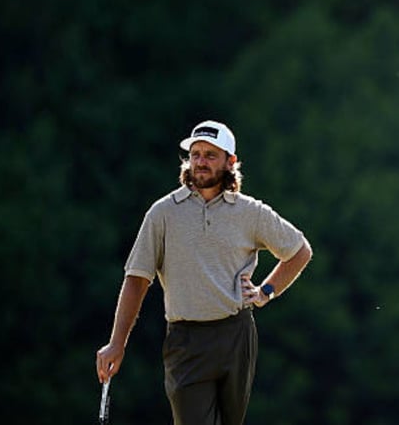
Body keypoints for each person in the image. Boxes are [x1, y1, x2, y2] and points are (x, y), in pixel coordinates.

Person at [96, 120, 312, 425]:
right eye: (195, 154)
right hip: (186, 341)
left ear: (230, 161)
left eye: (211, 155)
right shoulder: (163, 213)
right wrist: (117, 343)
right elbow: (136, 279)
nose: (200, 162)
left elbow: (299, 251)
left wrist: (266, 291)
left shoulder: (250, 212)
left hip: (236, 334)